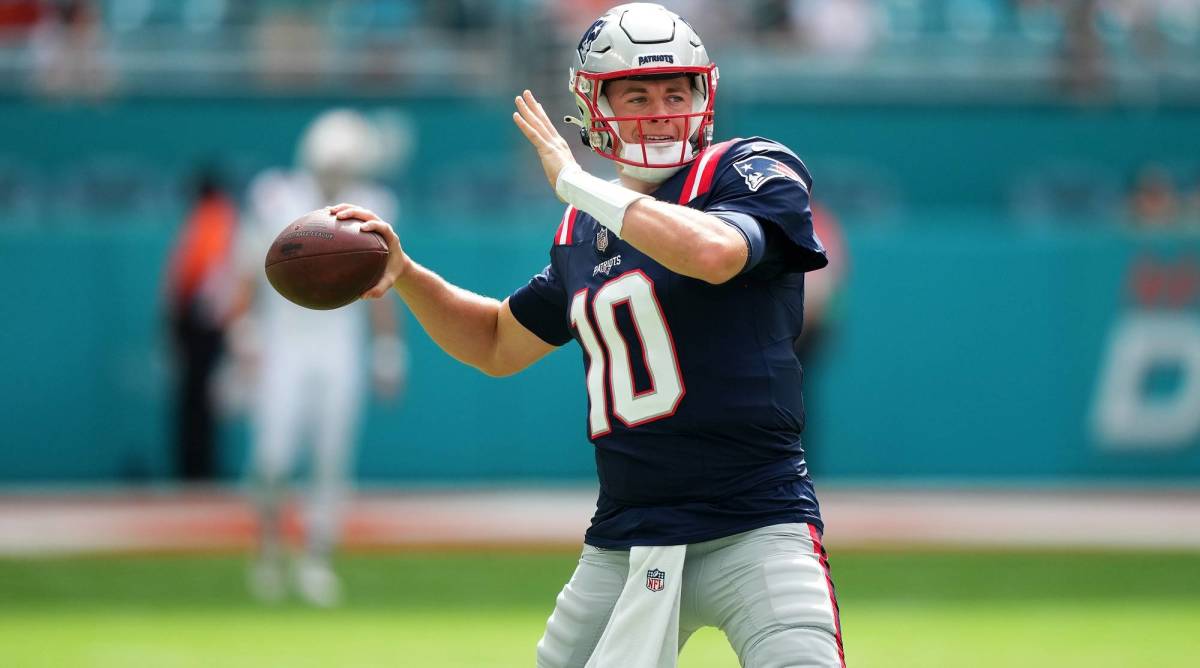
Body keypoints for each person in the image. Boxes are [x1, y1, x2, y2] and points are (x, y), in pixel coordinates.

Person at [337, 3, 843, 665]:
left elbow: (715, 254)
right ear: (596, 108)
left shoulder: (744, 169)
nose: (662, 109)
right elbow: (495, 342)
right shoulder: (581, 234)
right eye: (637, 94)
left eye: (676, 91)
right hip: (627, 538)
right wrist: (406, 274)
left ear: (704, 95)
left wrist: (579, 184)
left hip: (759, 523)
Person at [234, 109, 407, 607]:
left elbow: (384, 284)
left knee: (331, 459)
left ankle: (316, 558)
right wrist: (242, 330)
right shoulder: (275, 196)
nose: (336, 174)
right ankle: (267, 548)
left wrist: (387, 349)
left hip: (339, 345)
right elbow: (247, 267)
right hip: (284, 342)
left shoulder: (373, 204)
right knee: (272, 458)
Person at [164, 167, 239, 481]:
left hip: (200, 322)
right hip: (205, 322)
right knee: (199, 400)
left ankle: (197, 470)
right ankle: (197, 468)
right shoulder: (218, 218)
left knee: (197, 401)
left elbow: (194, 278)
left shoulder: (212, 219)